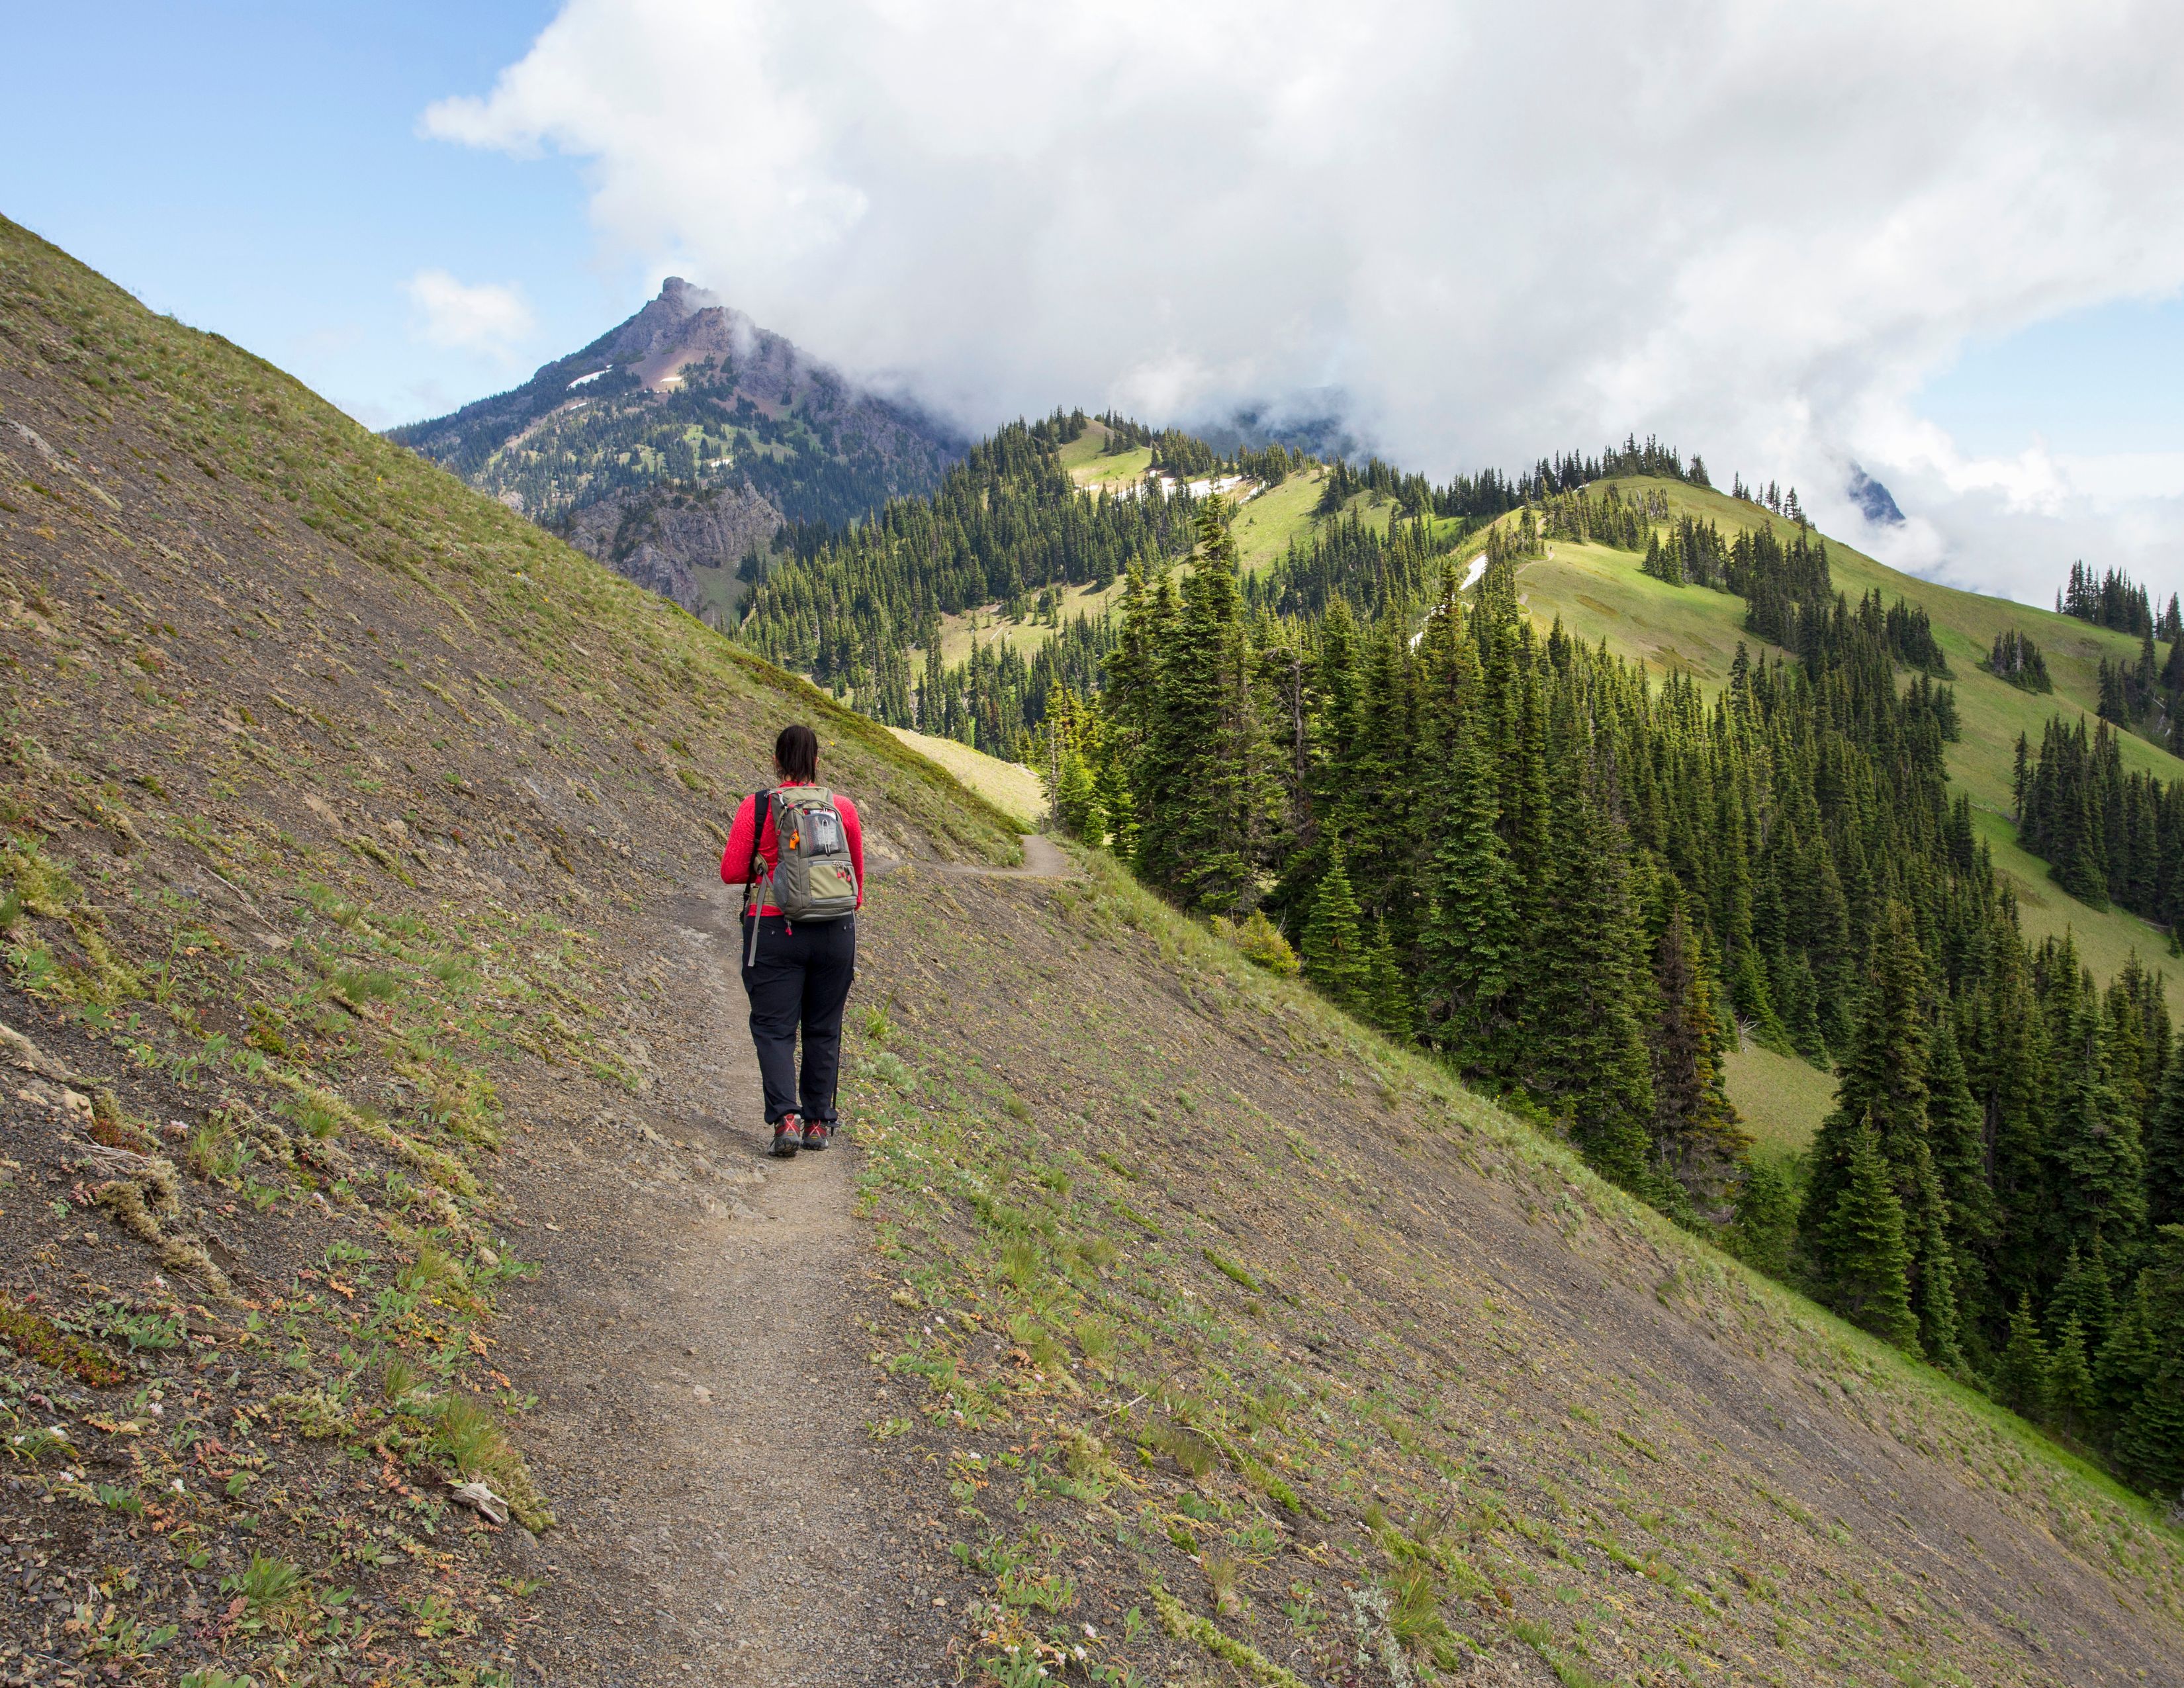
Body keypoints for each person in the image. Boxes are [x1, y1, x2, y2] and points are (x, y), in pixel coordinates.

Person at [719, 724, 865, 1156]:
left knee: (775, 1028)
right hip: (835, 931)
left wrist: (769, 866)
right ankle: (818, 1124)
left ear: (776, 761)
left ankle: (785, 1119)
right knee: (824, 1029)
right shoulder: (842, 809)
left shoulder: (758, 807)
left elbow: (730, 871)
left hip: (773, 928)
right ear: (817, 762)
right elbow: (855, 884)